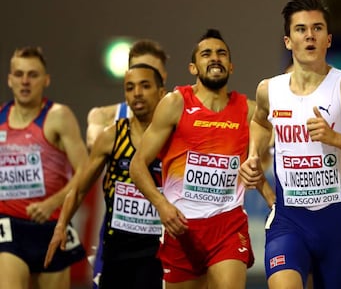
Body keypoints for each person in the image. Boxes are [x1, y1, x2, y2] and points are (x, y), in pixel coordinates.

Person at [239, 0, 341, 289]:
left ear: (328, 39)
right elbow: (260, 122)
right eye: (300, 29)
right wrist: (253, 155)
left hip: (335, 225)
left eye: (317, 28)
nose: (309, 35)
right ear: (288, 41)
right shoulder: (269, 89)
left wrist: (335, 138)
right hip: (288, 222)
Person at [129, 29, 275, 289]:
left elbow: (282, 143)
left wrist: (262, 177)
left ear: (230, 66)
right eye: (206, 54)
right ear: (193, 67)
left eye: (221, 54)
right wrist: (161, 205)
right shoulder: (176, 103)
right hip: (182, 227)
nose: (215, 58)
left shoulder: (248, 111)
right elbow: (137, 165)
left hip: (228, 225)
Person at [44, 63, 167, 289]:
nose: (136, 93)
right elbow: (80, 188)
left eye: (144, 86)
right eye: (129, 88)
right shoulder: (111, 137)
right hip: (116, 251)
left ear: (161, 93)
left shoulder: (173, 139)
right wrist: (60, 227)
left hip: (158, 252)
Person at [0, 46, 87, 289]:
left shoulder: (58, 117)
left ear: (46, 80)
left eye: (33, 75)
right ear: (9, 80)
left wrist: (53, 203)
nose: (25, 81)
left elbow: (86, 170)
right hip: (9, 225)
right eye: (18, 74)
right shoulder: (0, 118)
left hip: (52, 228)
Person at [85, 39, 169, 288]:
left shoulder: (176, 120)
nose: (139, 90)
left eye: (147, 77)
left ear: (161, 78)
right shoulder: (106, 117)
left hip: (159, 239)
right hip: (117, 237)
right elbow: (94, 145)